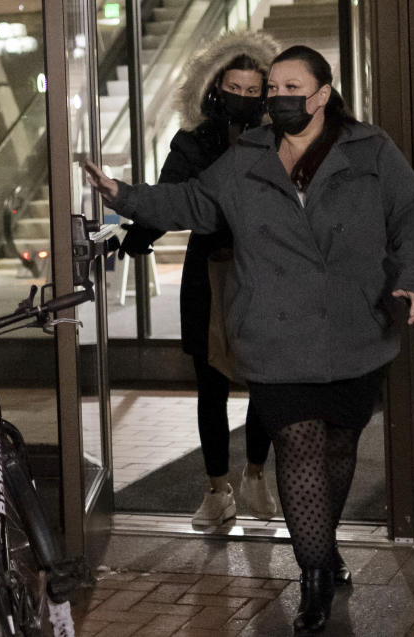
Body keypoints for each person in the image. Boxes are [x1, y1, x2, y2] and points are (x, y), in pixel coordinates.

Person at [85, 45, 414, 634]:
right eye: (272, 88)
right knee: (296, 443)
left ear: (322, 95)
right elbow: (193, 202)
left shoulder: (370, 150)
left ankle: (320, 548)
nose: (277, 98)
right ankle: (315, 575)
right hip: (275, 332)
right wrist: (125, 195)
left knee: (337, 450)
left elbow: (412, 221)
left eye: (290, 87)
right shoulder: (247, 154)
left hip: (355, 325)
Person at [119, 31, 280, 526]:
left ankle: (255, 475)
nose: (245, 98)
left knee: (268, 380)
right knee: (210, 383)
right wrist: (139, 233)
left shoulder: (280, 139)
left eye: (255, 91)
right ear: (215, 87)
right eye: (236, 87)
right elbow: (172, 197)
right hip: (209, 272)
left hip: (266, 271)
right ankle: (216, 489)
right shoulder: (192, 142)